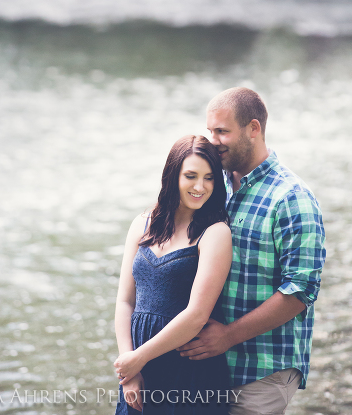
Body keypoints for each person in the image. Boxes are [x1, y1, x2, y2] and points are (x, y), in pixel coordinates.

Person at [177, 87, 326, 415]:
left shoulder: (292, 198)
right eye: (209, 130)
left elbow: (301, 291)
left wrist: (228, 336)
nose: (212, 140)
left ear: (253, 129)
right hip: (211, 364)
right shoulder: (214, 186)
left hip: (264, 367)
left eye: (222, 131)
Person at [113, 134, 233, 413]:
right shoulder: (142, 224)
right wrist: (128, 368)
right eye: (190, 175)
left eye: (209, 178)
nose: (200, 186)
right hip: (138, 370)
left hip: (188, 372)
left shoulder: (215, 233)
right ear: (172, 176)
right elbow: (124, 302)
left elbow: (196, 315)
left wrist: (138, 359)